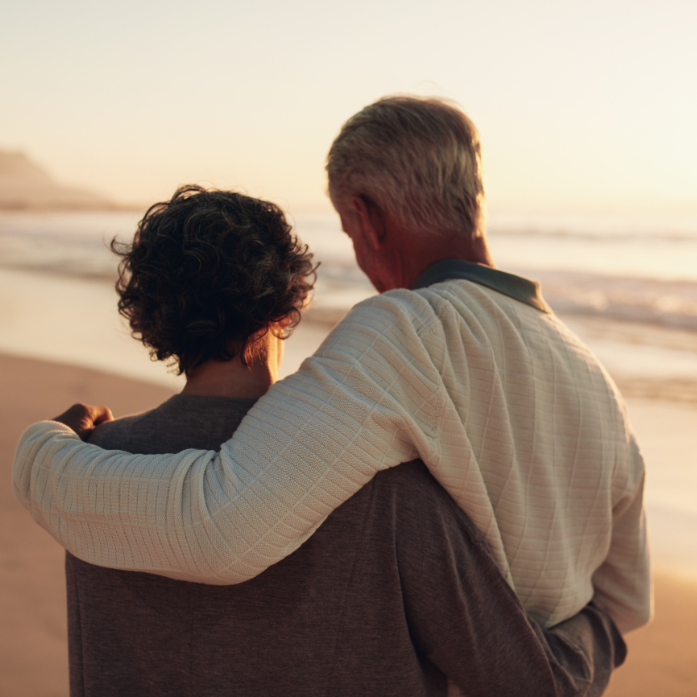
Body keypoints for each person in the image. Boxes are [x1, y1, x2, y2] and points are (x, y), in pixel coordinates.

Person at [14, 96, 650, 636]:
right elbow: (625, 602)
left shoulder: (406, 331)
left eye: (348, 230)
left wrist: (41, 455)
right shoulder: (592, 374)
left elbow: (220, 526)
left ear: (368, 218)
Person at [59, 185, 624, 697]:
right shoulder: (388, 489)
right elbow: (527, 682)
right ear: (289, 305)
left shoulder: (87, 473)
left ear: (151, 319)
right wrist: (603, 623)